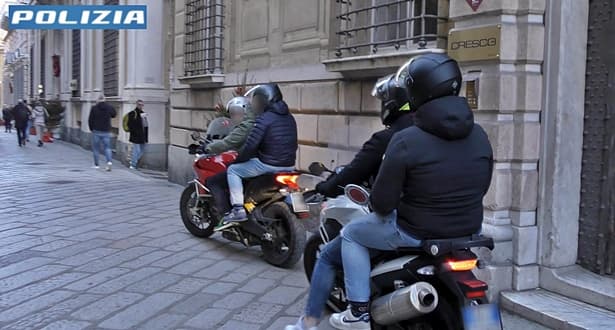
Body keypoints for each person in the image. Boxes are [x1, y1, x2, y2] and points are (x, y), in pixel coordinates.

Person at [327, 54, 494, 329]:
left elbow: (381, 203)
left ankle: (357, 312)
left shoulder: (405, 139)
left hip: (417, 232)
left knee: (352, 234)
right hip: (467, 231)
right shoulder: (479, 134)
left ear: (416, 91)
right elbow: (483, 185)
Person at [285, 74, 416, 330]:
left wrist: (325, 187)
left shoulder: (389, 138)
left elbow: (355, 172)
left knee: (339, 247)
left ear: (391, 104)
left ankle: (323, 320)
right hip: (456, 227)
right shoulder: (441, 135)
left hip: (407, 224)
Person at [220, 83, 298, 225]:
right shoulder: (289, 117)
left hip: (268, 164)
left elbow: (251, 145)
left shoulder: (264, 118)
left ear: (263, 100)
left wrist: (237, 160)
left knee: (233, 171)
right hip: (289, 165)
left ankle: (238, 209)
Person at [205, 96, 256, 217]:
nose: (234, 117)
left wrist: (208, 147)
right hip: (271, 162)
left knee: (214, 181)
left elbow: (228, 143)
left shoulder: (245, 126)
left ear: (245, 112)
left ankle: (229, 212)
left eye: (237, 113)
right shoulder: (258, 122)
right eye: (232, 114)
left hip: (253, 163)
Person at [88, 95, 117, 171]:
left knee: (96, 148)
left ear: (98, 100)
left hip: (96, 130)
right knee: (107, 147)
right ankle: (109, 162)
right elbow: (114, 115)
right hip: (106, 131)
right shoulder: (109, 107)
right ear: (105, 100)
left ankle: (96, 165)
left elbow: (90, 120)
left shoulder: (94, 108)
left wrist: (91, 129)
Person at [126, 100, 149, 170]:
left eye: (142, 105)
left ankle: (133, 161)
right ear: (136, 105)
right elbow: (130, 124)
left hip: (143, 136)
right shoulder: (133, 113)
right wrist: (139, 117)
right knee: (137, 150)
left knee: (142, 150)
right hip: (135, 136)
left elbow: (145, 126)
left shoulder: (143, 114)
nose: (141, 106)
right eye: (139, 104)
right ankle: (133, 164)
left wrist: (146, 137)